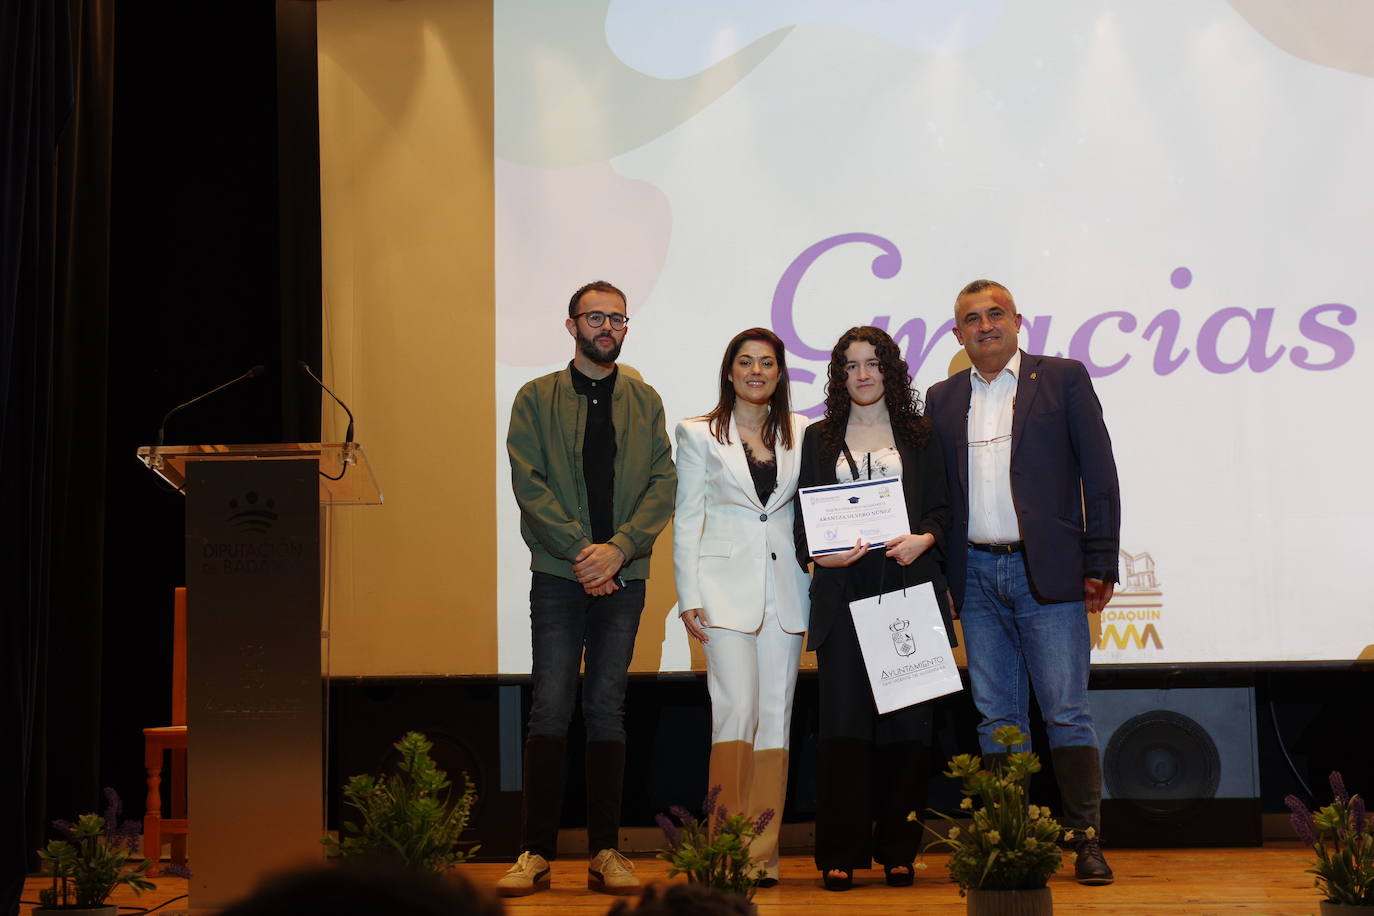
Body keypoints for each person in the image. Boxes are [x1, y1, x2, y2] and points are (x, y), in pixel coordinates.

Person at [925, 278, 1121, 886]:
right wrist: (943, 577)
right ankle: (1010, 841)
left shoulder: (1062, 378)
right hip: (976, 573)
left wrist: (1101, 561)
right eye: (971, 319)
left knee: (1066, 712)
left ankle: (1084, 839)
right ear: (957, 334)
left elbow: (1100, 474)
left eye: (995, 314)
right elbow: (937, 495)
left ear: (1017, 321)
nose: (984, 326)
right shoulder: (940, 397)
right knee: (994, 717)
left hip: (1051, 571)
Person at [500, 280, 677, 897]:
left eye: (617, 319)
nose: (607, 327)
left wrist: (619, 550)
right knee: (550, 706)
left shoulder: (644, 400)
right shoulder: (535, 397)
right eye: (595, 317)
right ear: (571, 325)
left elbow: (663, 482)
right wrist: (583, 553)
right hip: (559, 576)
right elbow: (530, 483)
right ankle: (535, 855)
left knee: (607, 708)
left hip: (623, 577)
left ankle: (605, 851)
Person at [793, 325, 953, 891]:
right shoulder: (817, 438)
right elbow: (800, 526)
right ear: (839, 376)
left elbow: (942, 509)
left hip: (908, 589)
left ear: (890, 370)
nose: (862, 375)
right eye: (851, 365)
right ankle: (841, 853)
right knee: (843, 730)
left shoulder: (921, 434)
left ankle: (899, 850)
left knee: (908, 732)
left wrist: (924, 540)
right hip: (842, 598)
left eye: (872, 363)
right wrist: (823, 556)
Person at [672, 328, 811, 886]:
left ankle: (762, 854)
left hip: (789, 594)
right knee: (736, 714)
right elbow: (686, 518)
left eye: (768, 363)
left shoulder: (805, 433)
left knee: (777, 717)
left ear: (780, 374)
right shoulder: (697, 433)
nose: (757, 371)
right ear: (729, 371)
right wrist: (689, 596)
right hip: (721, 594)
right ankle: (725, 849)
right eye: (746, 362)